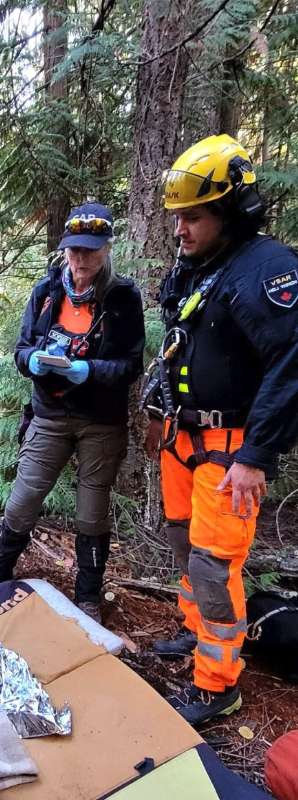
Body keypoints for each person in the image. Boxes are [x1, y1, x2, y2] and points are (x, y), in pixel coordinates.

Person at [145, 135, 298, 725]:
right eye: (177, 217)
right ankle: (197, 632)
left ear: (231, 211)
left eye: (192, 217)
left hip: (230, 448)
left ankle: (218, 682)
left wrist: (257, 454)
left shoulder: (268, 270)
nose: (179, 229)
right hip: (183, 440)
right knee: (185, 546)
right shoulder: (201, 266)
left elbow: (291, 363)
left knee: (215, 565)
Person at [0, 203, 145, 623]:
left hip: (101, 421)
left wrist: (90, 370)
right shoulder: (47, 292)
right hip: (49, 413)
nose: (80, 259)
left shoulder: (122, 297)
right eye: (73, 250)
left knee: (90, 512)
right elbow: (21, 350)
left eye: (90, 251)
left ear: (106, 249)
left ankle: (87, 596)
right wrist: (34, 362)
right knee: (23, 501)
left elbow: (131, 365)